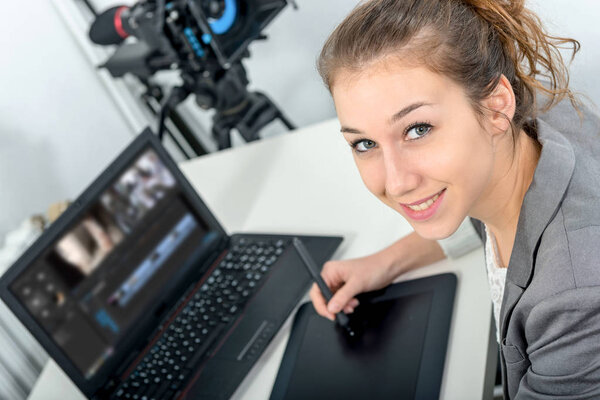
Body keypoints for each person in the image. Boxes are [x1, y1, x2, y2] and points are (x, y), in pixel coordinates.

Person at [308, 0, 600, 398]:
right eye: (364, 143)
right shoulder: (533, 119)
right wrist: (384, 263)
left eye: (418, 129)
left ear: (497, 106)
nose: (396, 182)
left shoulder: (573, 297)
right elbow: (477, 214)